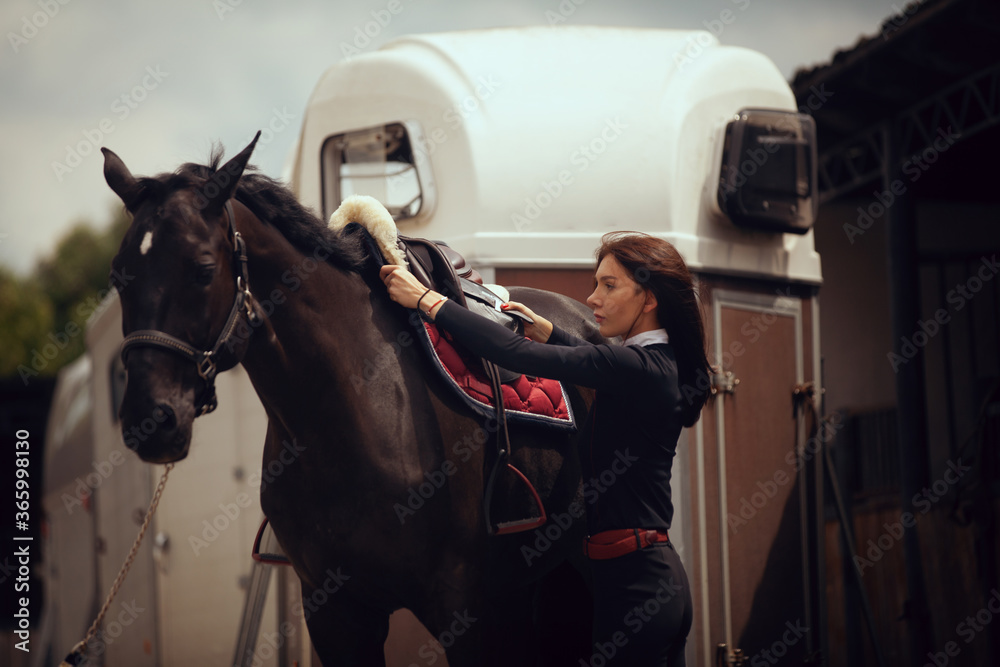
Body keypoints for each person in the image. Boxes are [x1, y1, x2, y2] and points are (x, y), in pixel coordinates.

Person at [380, 231, 712, 666]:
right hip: (653, 580)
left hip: (634, 589)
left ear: (648, 299)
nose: (593, 299)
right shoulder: (656, 364)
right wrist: (552, 332)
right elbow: (598, 362)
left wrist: (428, 301)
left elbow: (514, 353)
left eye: (609, 286)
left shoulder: (635, 366)